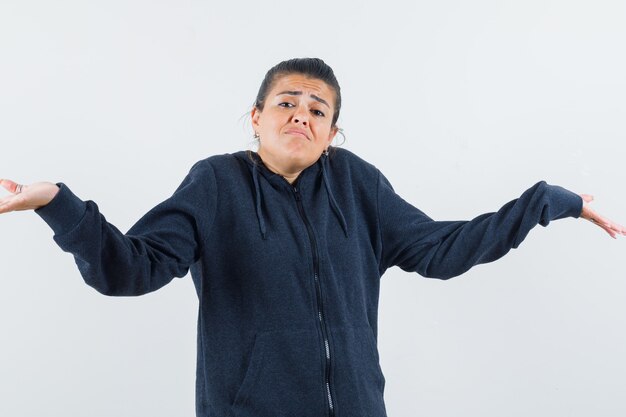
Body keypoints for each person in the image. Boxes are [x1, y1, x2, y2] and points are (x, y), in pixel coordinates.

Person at [0, 57, 624, 417]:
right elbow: (129, 269)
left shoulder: (357, 185)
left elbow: (441, 249)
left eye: (318, 109)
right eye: (286, 102)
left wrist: (547, 203)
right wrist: (57, 203)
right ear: (256, 118)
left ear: (332, 133)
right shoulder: (216, 183)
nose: (302, 113)